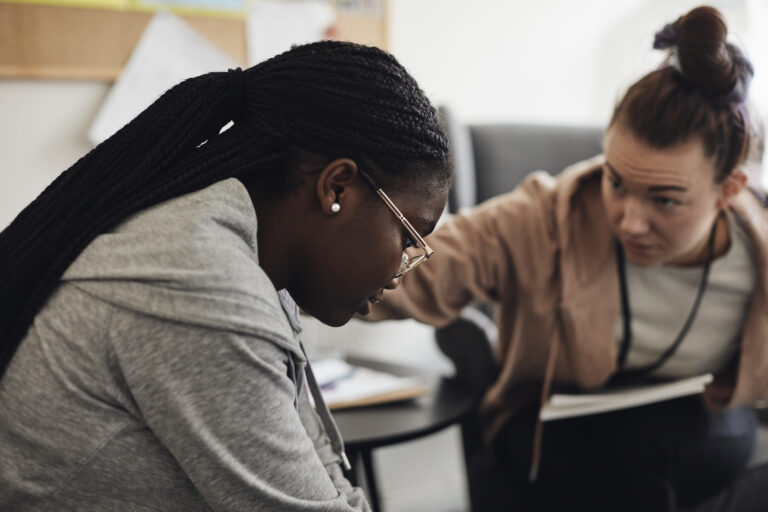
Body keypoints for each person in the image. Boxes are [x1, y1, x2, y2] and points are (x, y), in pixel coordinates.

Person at [0, 41, 451, 511]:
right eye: (407, 238)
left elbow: (317, 462)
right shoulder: (204, 285)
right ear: (336, 186)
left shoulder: (251, 261)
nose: (402, 273)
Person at [368, 6, 766, 511]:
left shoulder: (759, 255)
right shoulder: (547, 220)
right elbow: (428, 264)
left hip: (701, 422)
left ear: (728, 190)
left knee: (631, 445)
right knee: (587, 452)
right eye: (616, 182)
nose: (629, 220)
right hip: (562, 421)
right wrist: (291, 274)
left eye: (664, 200)